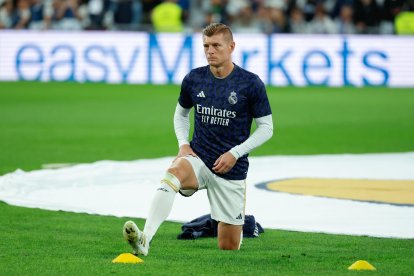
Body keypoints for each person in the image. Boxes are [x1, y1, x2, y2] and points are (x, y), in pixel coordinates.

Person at [123, 22, 274, 256]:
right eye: (206, 46)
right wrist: (184, 144)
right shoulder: (194, 79)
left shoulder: (250, 83)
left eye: (216, 45)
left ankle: (243, 225)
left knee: (228, 248)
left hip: (231, 170)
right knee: (173, 173)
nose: (210, 51)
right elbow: (181, 114)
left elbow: (266, 128)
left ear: (232, 46)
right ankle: (145, 239)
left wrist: (235, 153)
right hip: (198, 158)